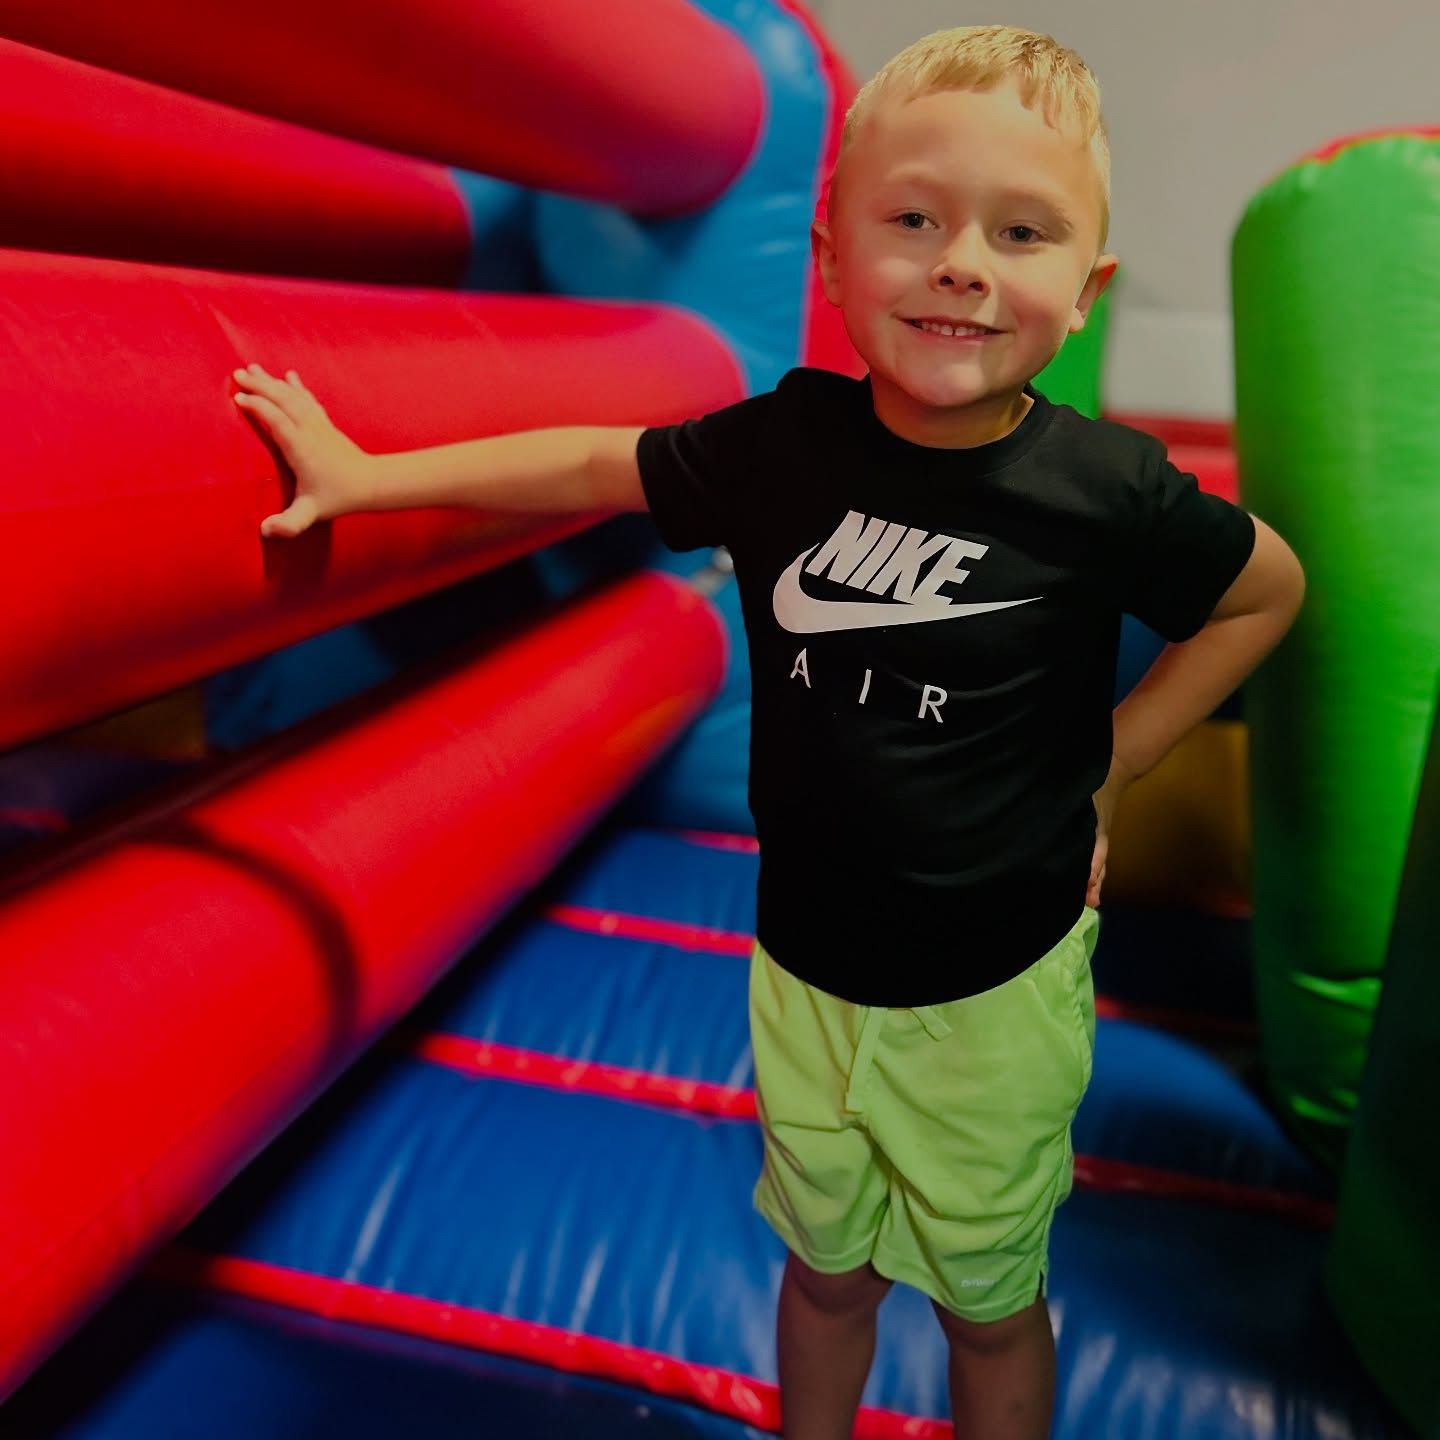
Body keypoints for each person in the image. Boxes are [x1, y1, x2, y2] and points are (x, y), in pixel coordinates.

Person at [231, 23, 1305, 1439]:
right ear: (832, 260)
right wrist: (368, 476)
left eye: (1022, 230)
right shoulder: (783, 448)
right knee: (824, 1270)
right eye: (913, 218)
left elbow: (1264, 590)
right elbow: (589, 461)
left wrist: (1126, 750)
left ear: (1084, 287)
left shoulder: (1105, 491)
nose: (963, 262)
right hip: (804, 964)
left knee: (988, 1301)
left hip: (993, 993)